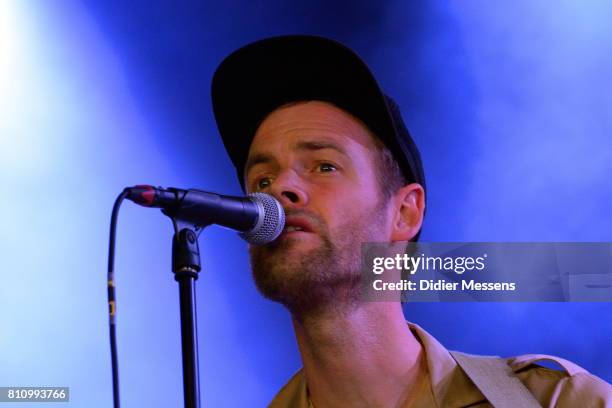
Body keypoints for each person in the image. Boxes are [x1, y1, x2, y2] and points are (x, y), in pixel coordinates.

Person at [211, 35, 611, 407]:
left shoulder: (558, 400)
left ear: (405, 213)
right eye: (262, 178)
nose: (281, 187)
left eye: (324, 166)